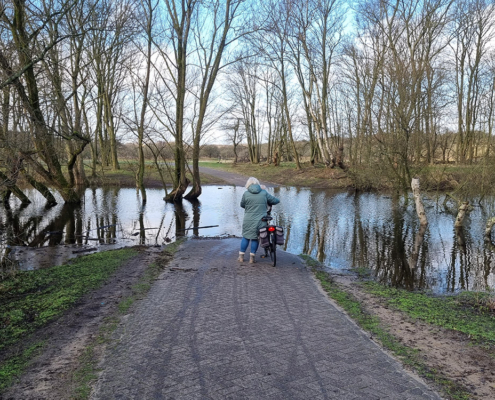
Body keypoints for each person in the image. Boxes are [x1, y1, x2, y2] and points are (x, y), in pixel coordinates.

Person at [239, 177, 280, 264]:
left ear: (248, 185)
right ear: (258, 184)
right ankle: (252, 258)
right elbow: (275, 201)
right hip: (261, 220)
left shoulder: (246, 194)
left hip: (248, 219)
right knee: (255, 238)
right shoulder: (264, 192)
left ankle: (241, 257)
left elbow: (242, 205)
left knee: (246, 237)